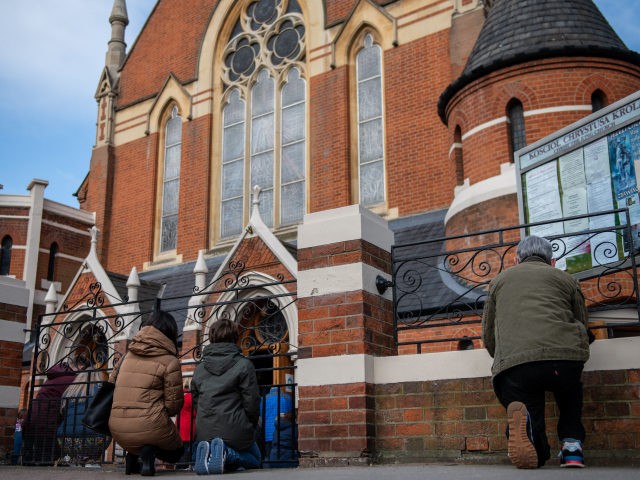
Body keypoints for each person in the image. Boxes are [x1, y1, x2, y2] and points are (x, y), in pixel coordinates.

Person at [481, 235, 591, 469]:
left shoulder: (499, 281)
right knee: (570, 390)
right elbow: (582, 320)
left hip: (517, 364)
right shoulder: (566, 279)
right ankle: (572, 449)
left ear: (516, 260)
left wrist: (504, 358)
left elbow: (488, 333)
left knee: (525, 400)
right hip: (564, 361)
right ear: (551, 262)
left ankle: (532, 441)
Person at [109, 310, 184, 476]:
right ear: (170, 332)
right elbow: (173, 406)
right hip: (151, 426)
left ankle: (132, 458)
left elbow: (111, 385)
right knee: (177, 452)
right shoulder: (170, 361)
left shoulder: (125, 356)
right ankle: (148, 453)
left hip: (117, 429)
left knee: (142, 433)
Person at [191, 318, 261, 475]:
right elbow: (252, 403)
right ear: (235, 337)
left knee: (218, 444)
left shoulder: (199, 369)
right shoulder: (244, 365)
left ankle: (211, 454)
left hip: (205, 430)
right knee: (256, 459)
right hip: (236, 428)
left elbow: (196, 400)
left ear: (212, 337)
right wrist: (250, 424)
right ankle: (226, 453)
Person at [22, 361, 78, 465]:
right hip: (46, 422)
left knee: (33, 457)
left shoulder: (53, 378)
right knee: (48, 457)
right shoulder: (72, 379)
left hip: (30, 418)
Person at [56, 370, 109, 466]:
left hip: (65, 439)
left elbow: (63, 413)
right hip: (93, 438)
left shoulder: (69, 391)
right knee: (106, 431)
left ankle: (75, 460)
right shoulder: (100, 390)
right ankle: (92, 460)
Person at [261, 385, 293, 459]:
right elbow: (290, 415)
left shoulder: (263, 399)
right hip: (282, 434)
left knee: (268, 456)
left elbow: (260, 415)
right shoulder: (287, 398)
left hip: (267, 434)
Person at [174, 379, 195, 469]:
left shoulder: (179, 396)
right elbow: (195, 413)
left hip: (178, 426)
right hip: (188, 427)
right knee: (187, 449)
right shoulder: (190, 397)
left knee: (179, 449)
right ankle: (184, 466)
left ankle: (179, 466)